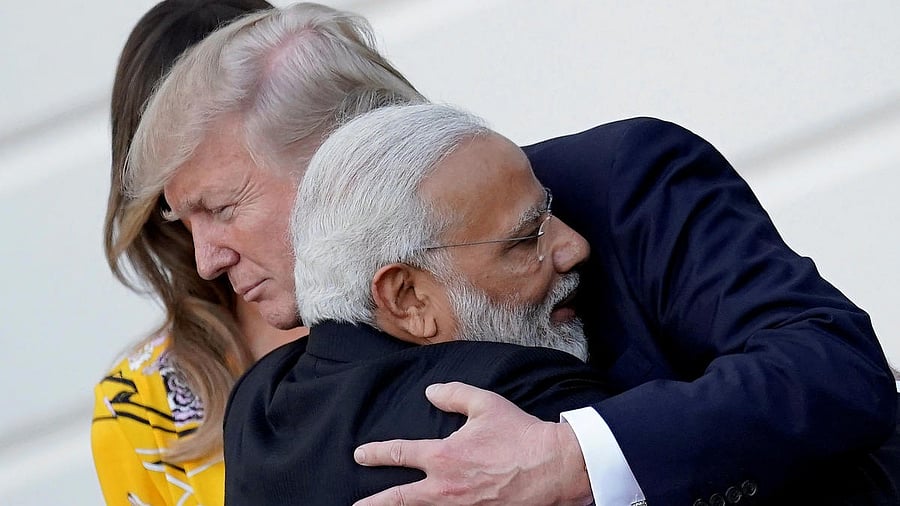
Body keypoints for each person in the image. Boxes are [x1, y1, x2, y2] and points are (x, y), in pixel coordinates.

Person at [123, 2, 897, 505]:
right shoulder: (274, 404)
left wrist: (576, 459)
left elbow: (834, 365)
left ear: (345, 154)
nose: (206, 259)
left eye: (222, 209)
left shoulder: (624, 184)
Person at [225, 102, 610, 505]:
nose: (574, 247)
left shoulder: (256, 400)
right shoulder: (511, 398)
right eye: (526, 237)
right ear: (407, 299)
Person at [89, 2, 310, 506]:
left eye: (222, 200)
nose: (209, 255)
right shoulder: (139, 405)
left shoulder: (455, 286)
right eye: (181, 209)